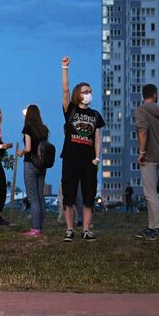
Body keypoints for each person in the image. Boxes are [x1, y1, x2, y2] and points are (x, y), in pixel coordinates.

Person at [60, 56, 105, 242]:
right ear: (79, 94)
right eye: (85, 91)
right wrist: (65, 67)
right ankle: (69, 229)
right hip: (71, 158)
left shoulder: (95, 115)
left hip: (89, 161)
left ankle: (86, 229)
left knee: (88, 195)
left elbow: (97, 138)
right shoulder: (70, 110)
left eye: (90, 91)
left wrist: (97, 158)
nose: (89, 93)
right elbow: (65, 89)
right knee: (68, 195)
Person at [132, 84, 159, 240]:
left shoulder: (141, 111)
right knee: (151, 193)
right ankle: (151, 226)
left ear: (144, 95)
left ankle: (157, 229)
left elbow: (143, 131)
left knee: (150, 194)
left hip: (148, 156)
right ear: (155, 95)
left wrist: (142, 152)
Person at [17, 105, 50, 237]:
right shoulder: (44, 129)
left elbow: (29, 148)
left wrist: (21, 152)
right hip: (42, 165)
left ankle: (36, 229)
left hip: (30, 164)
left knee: (33, 198)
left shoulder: (27, 128)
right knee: (40, 197)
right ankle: (40, 227)